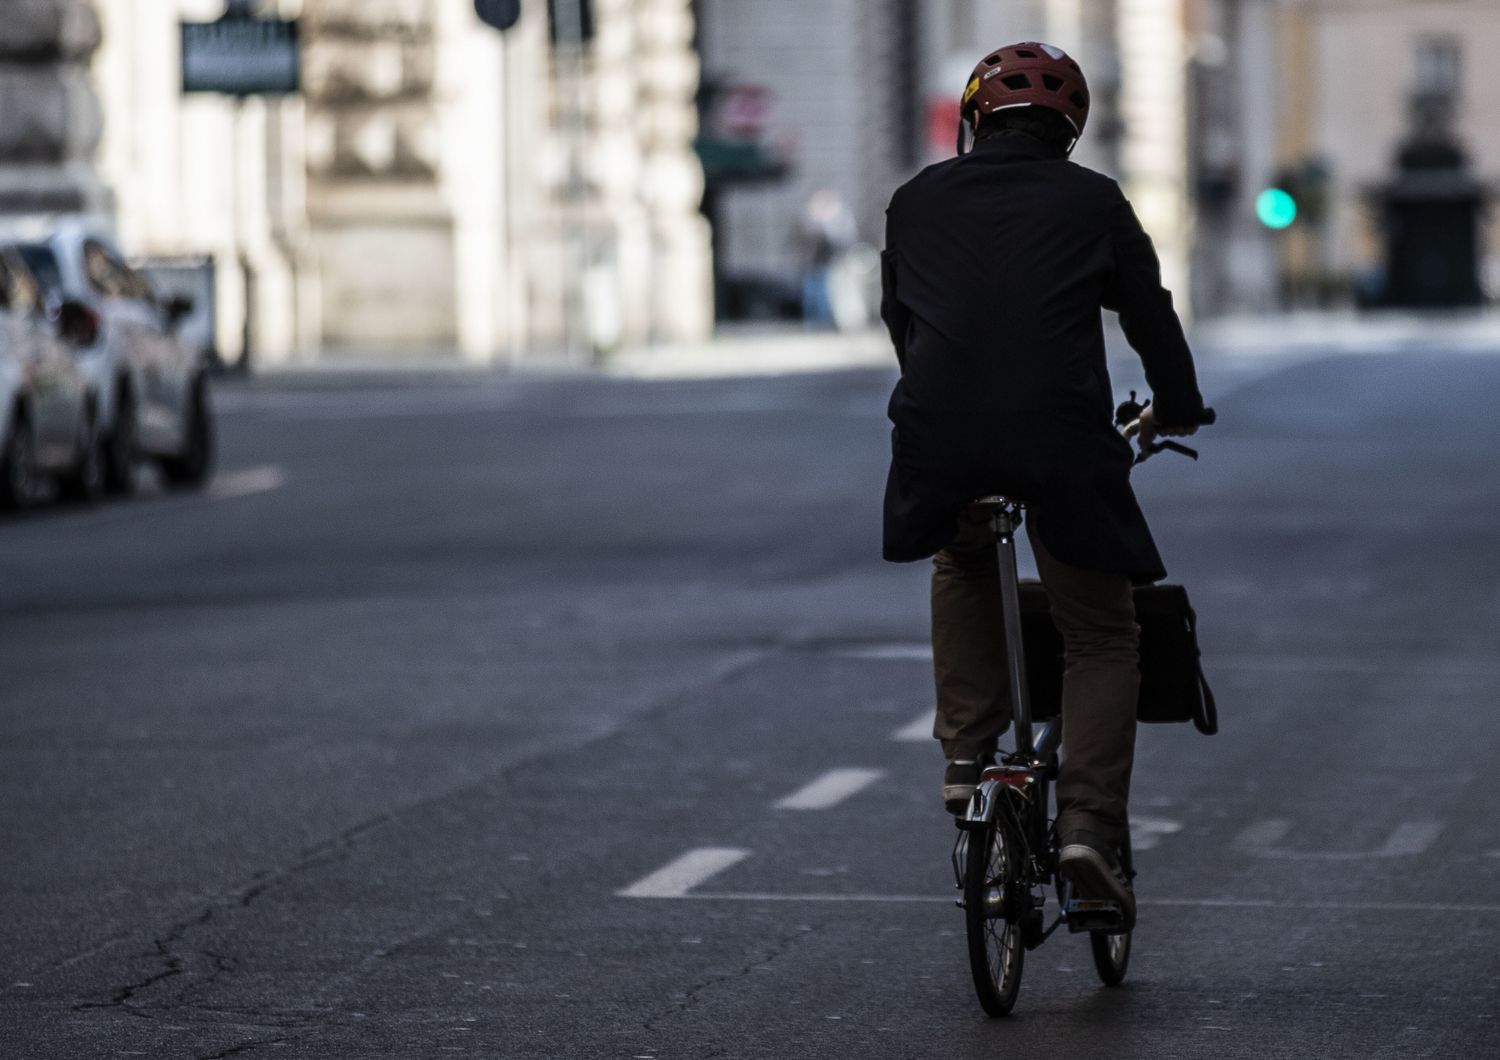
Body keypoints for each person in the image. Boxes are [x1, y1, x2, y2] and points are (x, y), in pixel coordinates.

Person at [879, 42, 1210, 925]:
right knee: (1102, 633)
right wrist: (1177, 406)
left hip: (938, 433)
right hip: (1061, 438)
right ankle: (1088, 830)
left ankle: (965, 759)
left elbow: (903, 326)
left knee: (962, 558)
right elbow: (1151, 317)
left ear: (974, 119)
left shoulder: (914, 201)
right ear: (1070, 131)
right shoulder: (1094, 200)